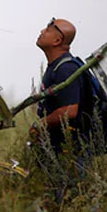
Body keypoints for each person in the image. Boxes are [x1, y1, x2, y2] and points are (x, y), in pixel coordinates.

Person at [30, 17, 82, 154]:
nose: (42, 31)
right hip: (57, 146)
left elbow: (70, 110)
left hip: (69, 151)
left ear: (57, 41)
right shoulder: (56, 66)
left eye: (47, 30)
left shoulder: (66, 69)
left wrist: (40, 124)